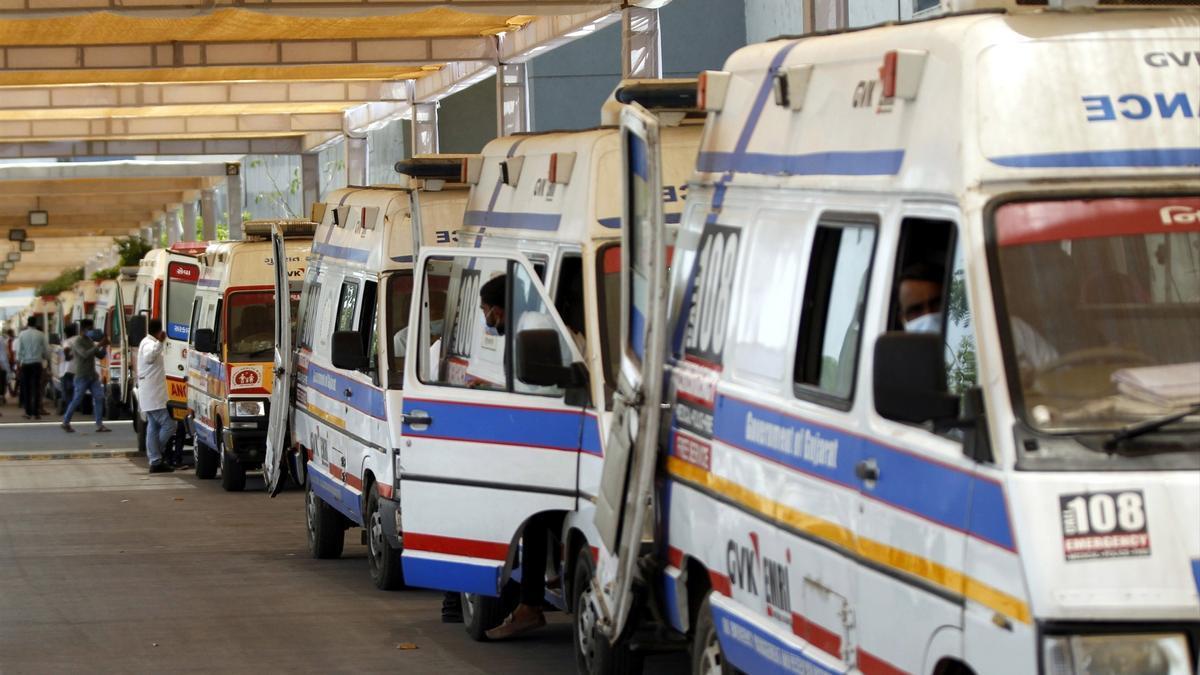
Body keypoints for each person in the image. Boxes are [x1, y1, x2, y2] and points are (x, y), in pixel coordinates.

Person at [137, 319, 176, 473]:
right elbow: (149, 357)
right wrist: (160, 343)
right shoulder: (148, 343)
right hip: (153, 394)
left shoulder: (147, 342)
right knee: (170, 425)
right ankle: (155, 456)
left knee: (153, 427)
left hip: (152, 394)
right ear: (159, 332)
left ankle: (155, 460)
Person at [62, 319, 111, 433]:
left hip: (92, 375)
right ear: (83, 329)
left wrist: (104, 346)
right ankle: (65, 422)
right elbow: (84, 354)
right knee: (77, 399)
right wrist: (98, 344)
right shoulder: (77, 342)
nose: (92, 331)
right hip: (81, 376)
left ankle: (99, 425)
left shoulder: (89, 340)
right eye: (90, 329)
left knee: (99, 397)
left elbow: (99, 355)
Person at [16, 316, 48, 420]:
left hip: (25, 364)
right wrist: (45, 360)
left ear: (28, 324)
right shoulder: (41, 334)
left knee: (26, 388)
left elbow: (19, 351)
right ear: (36, 324)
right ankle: (36, 412)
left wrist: (18, 365)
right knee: (37, 388)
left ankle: (28, 412)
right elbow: (46, 351)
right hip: (37, 364)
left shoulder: (21, 335)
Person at [0, 327, 11, 407]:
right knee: (3, 381)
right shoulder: (2, 339)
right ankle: (2, 396)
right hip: (3, 363)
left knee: (3, 380)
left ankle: (2, 396)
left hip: (2, 363)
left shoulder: (1, 339)